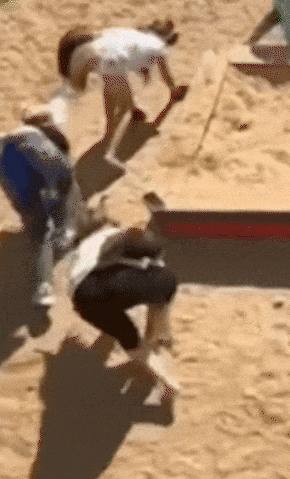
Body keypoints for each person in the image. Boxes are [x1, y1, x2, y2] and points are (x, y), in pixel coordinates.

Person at [57, 20, 189, 171]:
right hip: (113, 60)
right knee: (124, 108)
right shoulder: (157, 47)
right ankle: (111, 153)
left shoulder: (134, 34)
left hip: (99, 56)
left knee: (111, 91)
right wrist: (174, 91)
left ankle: (111, 128)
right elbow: (165, 74)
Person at [67, 221, 181, 394]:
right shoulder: (131, 239)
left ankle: (167, 380)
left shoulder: (90, 247)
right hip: (104, 289)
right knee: (159, 289)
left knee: (127, 335)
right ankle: (156, 336)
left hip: (85, 298)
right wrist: (155, 328)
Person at [0, 101, 82, 307]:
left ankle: (44, 287)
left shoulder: (12, 137)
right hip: (45, 172)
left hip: (13, 174)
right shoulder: (41, 135)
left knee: (37, 224)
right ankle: (63, 234)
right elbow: (62, 173)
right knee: (65, 195)